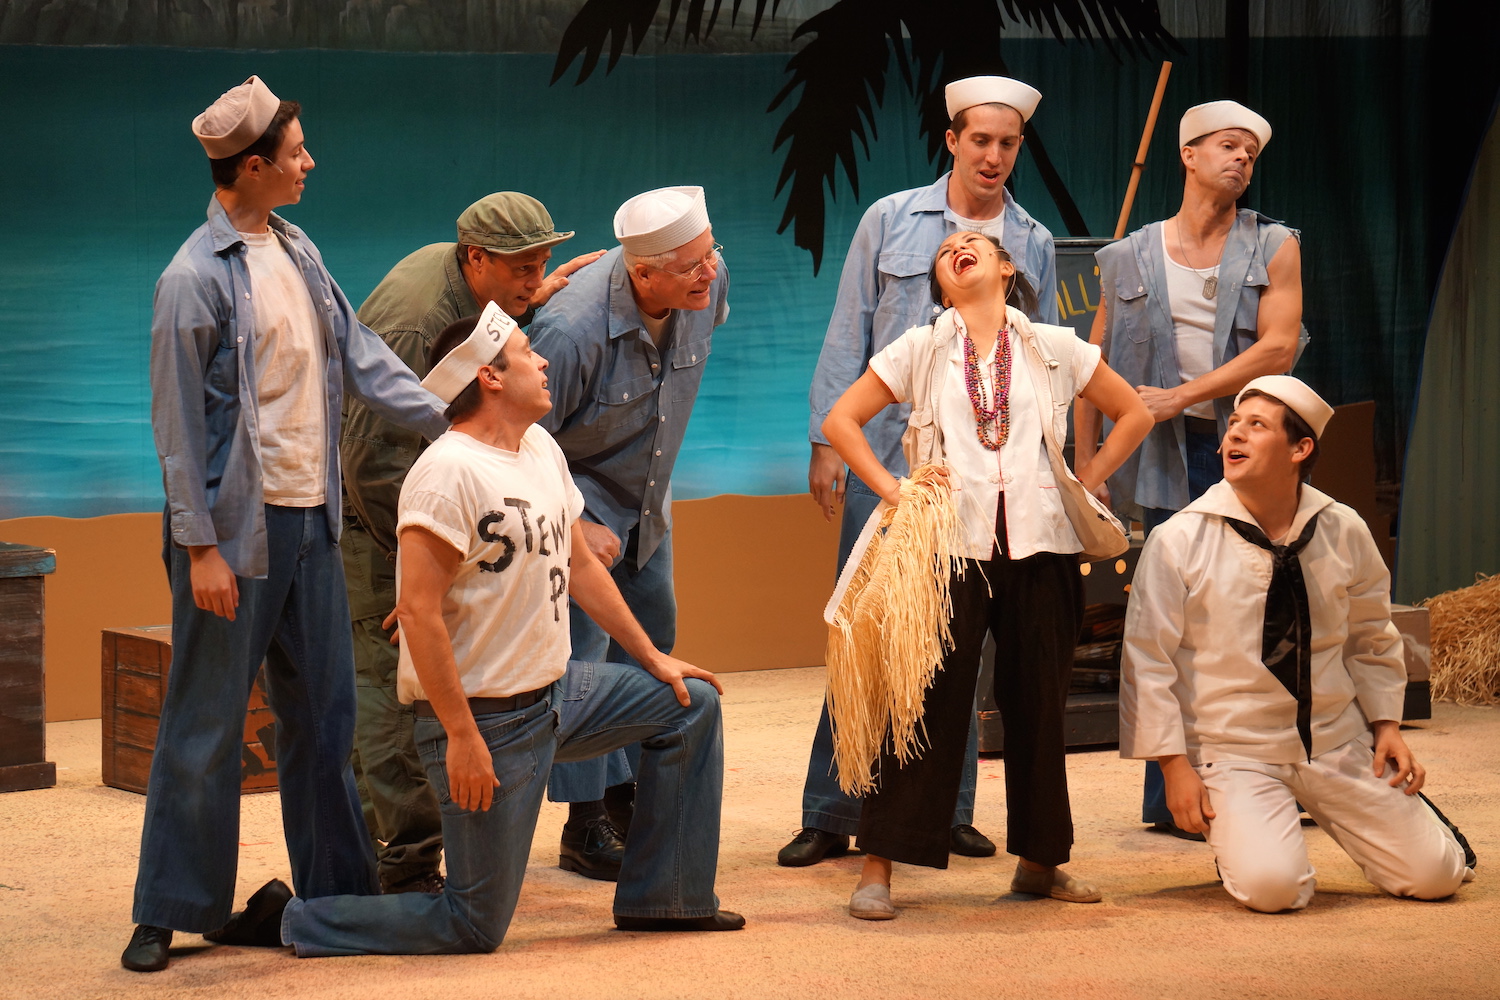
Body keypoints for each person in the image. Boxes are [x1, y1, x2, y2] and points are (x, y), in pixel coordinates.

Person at [226, 305, 743, 955]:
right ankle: (289, 920)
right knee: (471, 924)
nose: (543, 360)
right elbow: (417, 612)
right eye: (527, 353)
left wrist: (650, 657)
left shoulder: (539, 449)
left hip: (559, 694)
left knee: (690, 705)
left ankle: (665, 899)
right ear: (490, 377)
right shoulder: (446, 473)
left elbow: (581, 565)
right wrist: (463, 736)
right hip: (487, 723)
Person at [122, 76, 450, 972]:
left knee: (326, 717)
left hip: (312, 524)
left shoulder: (299, 249)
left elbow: (361, 354)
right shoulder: (193, 278)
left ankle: (340, 898)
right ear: (253, 167)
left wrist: (450, 420)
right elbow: (176, 426)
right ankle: (167, 908)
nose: (311, 164)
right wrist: (199, 547)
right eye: (297, 153)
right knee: (206, 724)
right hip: (234, 534)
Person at [822, 231, 1153, 919]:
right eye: (946, 248)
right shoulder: (920, 347)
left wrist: (1085, 478)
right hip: (948, 549)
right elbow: (842, 419)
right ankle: (879, 864)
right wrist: (896, 491)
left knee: (1038, 705)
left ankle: (1041, 862)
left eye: (975, 241)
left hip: (1043, 548)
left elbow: (1135, 412)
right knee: (919, 702)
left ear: (1006, 268)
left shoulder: (1054, 346)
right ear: (943, 284)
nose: (958, 247)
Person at [788, 74, 1060, 868]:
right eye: (979, 140)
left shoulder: (1032, 241)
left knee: (956, 639)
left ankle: (947, 810)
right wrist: (825, 440)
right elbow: (849, 325)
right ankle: (832, 809)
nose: (993, 156)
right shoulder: (891, 219)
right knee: (864, 629)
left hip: (981, 477)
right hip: (885, 463)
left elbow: (1040, 361)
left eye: (1007, 143)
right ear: (951, 140)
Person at [1119, 376, 1474, 912]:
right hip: (1233, 748)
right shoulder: (1181, 539)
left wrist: (1386, 727)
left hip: (1334, 739)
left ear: (1300, 448)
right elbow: (1148, 660)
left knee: (1438, 877)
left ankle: (1416, 825)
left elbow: (1371, 636)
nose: (1234, 435)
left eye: (1256, 425)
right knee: (1274, 890)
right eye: (1233, 424)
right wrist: (1174, 767)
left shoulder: (1342, 529)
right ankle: (1245, 837)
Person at [340, 192, 603, 894]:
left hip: (427, 504)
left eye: (542, 262)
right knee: (396, 690)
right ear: (476, 258)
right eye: (522, 267)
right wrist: (415, 578)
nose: (535, 278)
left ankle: (424, 847)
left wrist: (524, 300)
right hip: (379, 517)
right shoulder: (418, 318)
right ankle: (399, 864)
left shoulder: (477, 291)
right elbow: (370, 459)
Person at [1075, 100, 1303, 839]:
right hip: (1164, 454)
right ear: (1189, 154)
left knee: (1259, 607)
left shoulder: (1273, 244)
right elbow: (1093, 362)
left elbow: (1278, 347)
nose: (1241, 160)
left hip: (1244, 447)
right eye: (1228, 146)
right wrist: (1088, 465)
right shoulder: (1130, 255)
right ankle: (1169, 796)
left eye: (1251, 153)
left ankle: (1267, 781)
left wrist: (1182, 395)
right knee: (1170, 617)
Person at [527, 186, 729, 879]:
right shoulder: (570, 331)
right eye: (693, 265)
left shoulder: (707, 280)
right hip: (578, 508)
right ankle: (583, 823)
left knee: (652, 642)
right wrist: (573, 522)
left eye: (711, 254)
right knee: (584, 662)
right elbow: (520, 440)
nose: (711, 272)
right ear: (644, 273)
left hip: (648, 500)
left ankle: (630, 798)